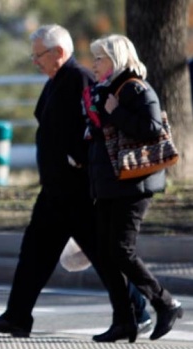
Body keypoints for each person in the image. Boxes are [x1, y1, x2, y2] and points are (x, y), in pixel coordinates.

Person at [0, 24, 151, 339]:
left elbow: (94, 126)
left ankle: (138, 311)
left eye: (38, 55)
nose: (34, 61)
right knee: (34, 252)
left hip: (76, 189)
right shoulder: (57, 80)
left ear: (58, 52)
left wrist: (77, 159)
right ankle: (17, 316)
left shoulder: (79, 78)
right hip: (56, 191)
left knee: (103, 255)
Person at [85, 34, 183, 342]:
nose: (95, 64)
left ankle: (165, 303)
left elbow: (152, 129)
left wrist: (115, 111)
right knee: (104, 252)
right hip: (109, 185)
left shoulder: (135, 87)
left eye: (100, 58)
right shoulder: (105, 90)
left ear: (117, 59)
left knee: (121, 251)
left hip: (134, 185)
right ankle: (125, 320)